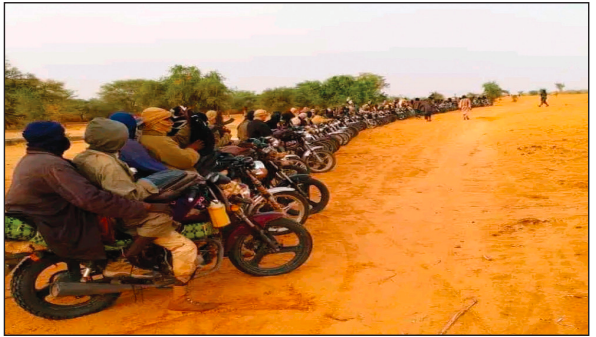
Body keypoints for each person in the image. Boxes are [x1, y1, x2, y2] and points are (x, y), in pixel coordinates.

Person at [72, 118, 216, 312]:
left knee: (175, 183)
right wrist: (155, 202)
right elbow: (129, 197)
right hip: (126, 212)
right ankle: (178, 298)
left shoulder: (86, 156)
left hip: (108, 208)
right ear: (113, 139)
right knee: (183, 244)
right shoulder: (108, 165)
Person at [5, 121, 170, 267]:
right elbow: (91, 199)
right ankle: (121, 259)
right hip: (54, 219)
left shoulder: (34, 158)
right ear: (53, 140)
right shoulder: (53, 165)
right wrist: (145, 206)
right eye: (63, 135)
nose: (66, 139)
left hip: (36, 212)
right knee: (150, 218)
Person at [109, 112, 168, 177]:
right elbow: (157, 168)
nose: (140, 130)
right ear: (130, 127)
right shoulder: (128, 145)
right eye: (138, 127)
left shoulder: (111, 143)